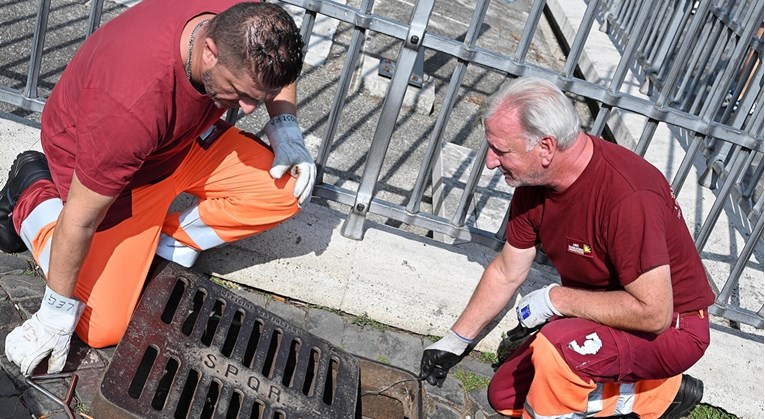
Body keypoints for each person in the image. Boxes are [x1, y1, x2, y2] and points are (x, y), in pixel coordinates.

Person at [2, 0, 316, 376]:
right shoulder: (129, 108)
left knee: (288, 189)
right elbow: (81, 221)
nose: (249, 110)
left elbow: (277, 61)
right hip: (120, 174)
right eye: (240, 92)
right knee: (100, 325)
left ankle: (159, 244)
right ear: (211, 50)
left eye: (258, 98)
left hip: (180, 143)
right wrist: (54, 314)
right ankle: (30, 192)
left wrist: (285, 126)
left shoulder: (244, 22)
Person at [419, 77, 714, 418]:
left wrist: (554, 300)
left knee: (555, 352)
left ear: (545, 147)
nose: (489, 161)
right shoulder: (535, 185)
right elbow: (506, 270)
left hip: (673, 329)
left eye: (501, 150)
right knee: (504, 396)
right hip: (605, 317)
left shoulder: (629, 197)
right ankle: (660, 394)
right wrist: (455, 342)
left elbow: (654, 313)